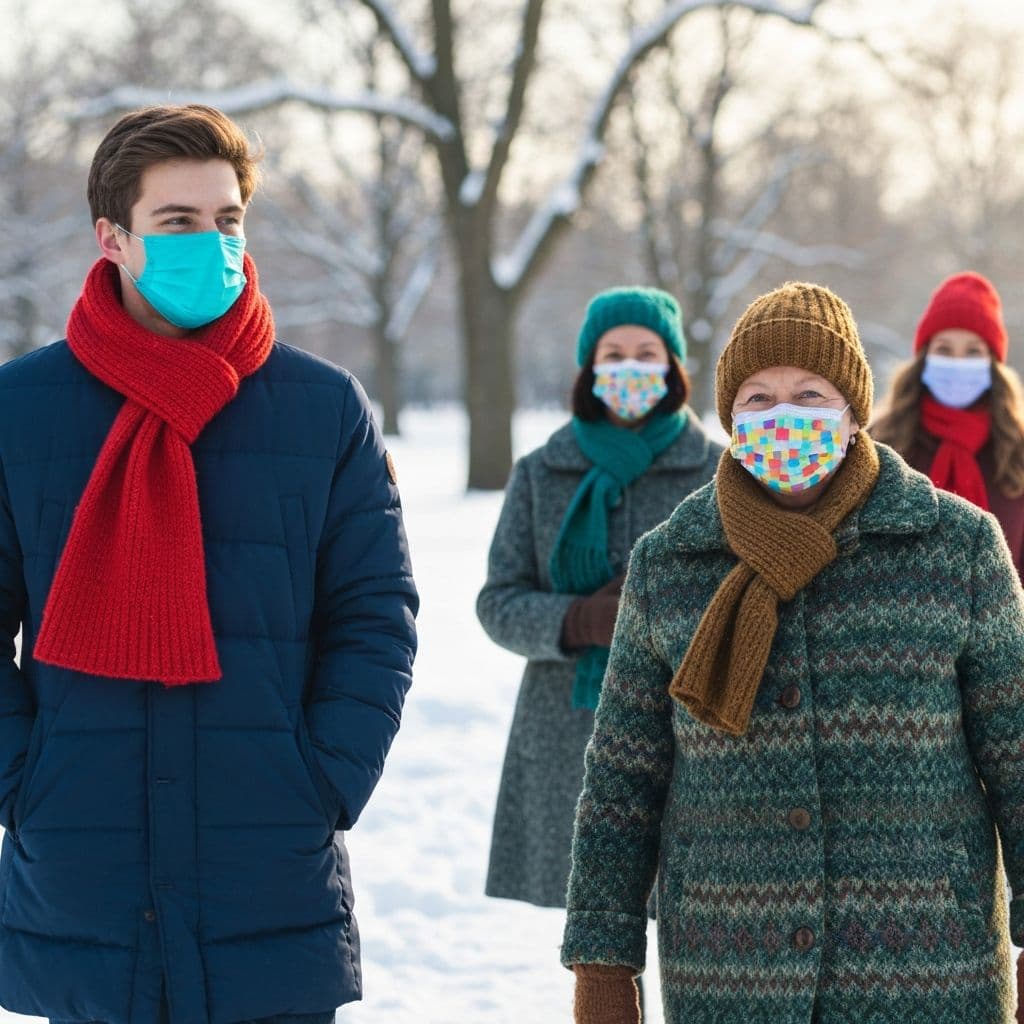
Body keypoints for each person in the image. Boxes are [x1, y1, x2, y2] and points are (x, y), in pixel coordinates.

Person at [0, 105, 418, 1024]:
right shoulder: (21, 409)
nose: (212, 243)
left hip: (267, 870)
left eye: (227, 220)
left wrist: (325, 777)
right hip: (82, 868)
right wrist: (22, 779)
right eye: (178, 222)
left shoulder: (319, 408)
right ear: (113, 237)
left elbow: (373, 612)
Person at [561, 281, 1024, 1024]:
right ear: (730, 417)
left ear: (850, 415)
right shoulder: (671, 564)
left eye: (810, 395)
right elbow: (621, 784)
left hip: (929, 972)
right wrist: (602, 968)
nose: (785, 417)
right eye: (759, 398)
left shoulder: (956, 548)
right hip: (729, 974)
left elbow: (1016, 758)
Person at [478, 286, 721, 919]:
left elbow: (749, 597)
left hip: (690, 727)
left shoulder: (719, 473)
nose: (631, 368)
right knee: (593, 932)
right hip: (566, 731)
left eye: (647, 353)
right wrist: (576, 620)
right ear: (590, 367)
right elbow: (498, 601)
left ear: (673, 368)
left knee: (695, 917)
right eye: (614, 354)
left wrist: (663, 623)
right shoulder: (541, 471)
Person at [872, 271, 1024, 579]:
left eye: (973, 351)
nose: (958, 362)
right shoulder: (882, 443)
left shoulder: (1017, 450)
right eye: (944, 349)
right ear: (925, 357)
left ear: (992, 363)